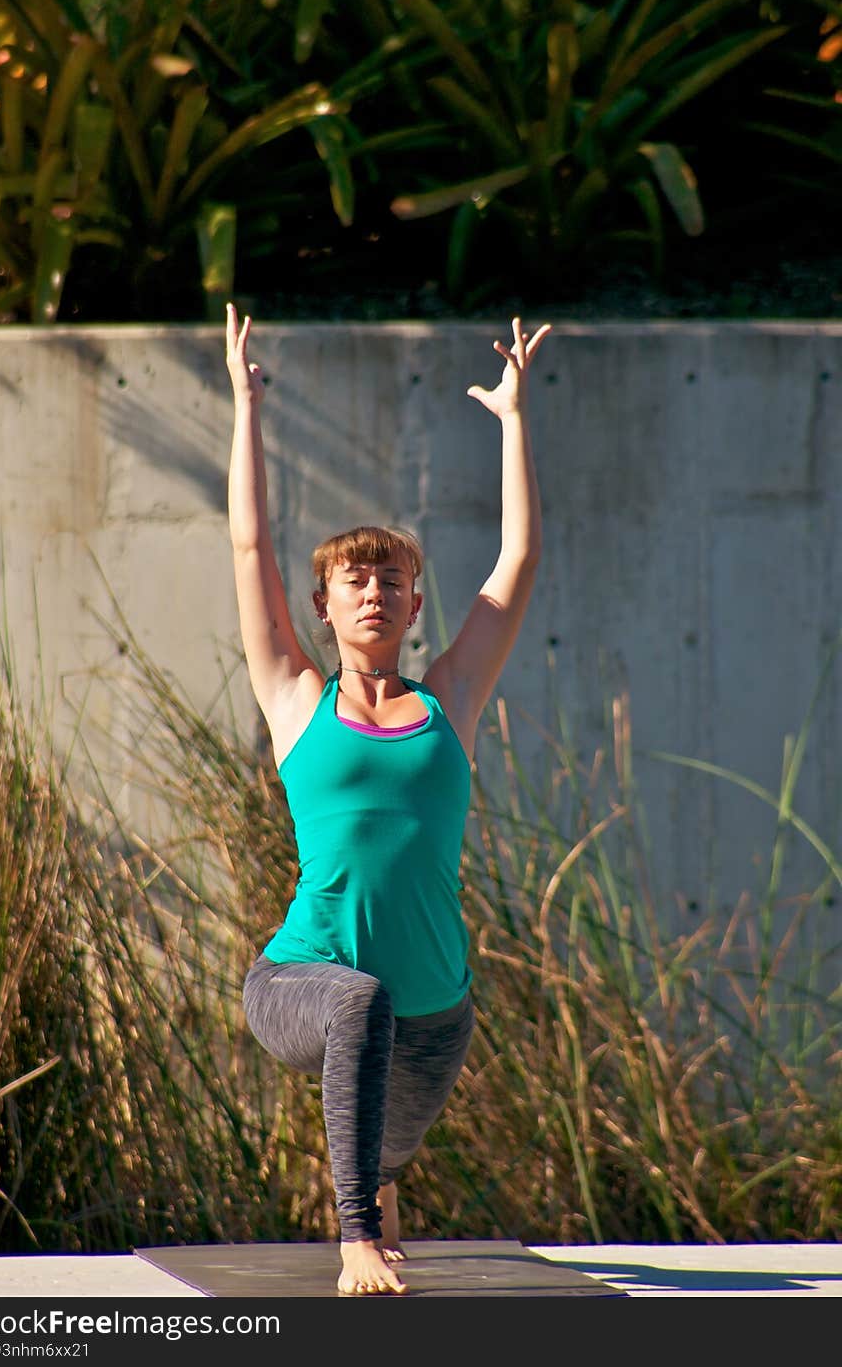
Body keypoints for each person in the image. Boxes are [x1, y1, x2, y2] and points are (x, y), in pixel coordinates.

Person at [225, 303, 550, 1296]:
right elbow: (247, 553)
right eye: (354, 579)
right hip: (299, 982)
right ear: (323, 606)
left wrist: (510, 419)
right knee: (354, 1006)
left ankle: (383, 1192)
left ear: (415, 601)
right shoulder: (292, 698)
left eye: (393, 578)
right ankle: (355, 1235)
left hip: (435, 1012)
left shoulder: (449, 699)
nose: (374, 590)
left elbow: (518, 566)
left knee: (389, 1143)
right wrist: (244, 406)